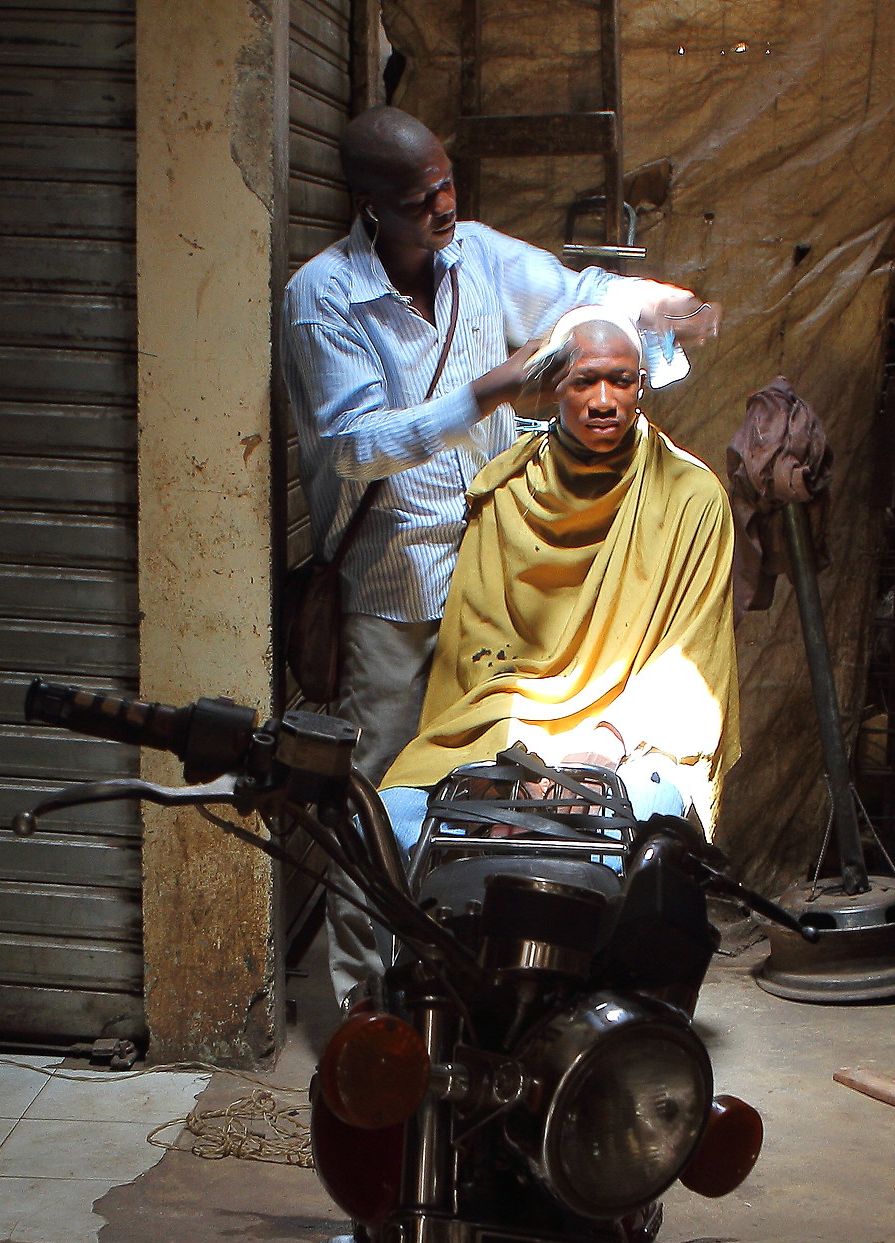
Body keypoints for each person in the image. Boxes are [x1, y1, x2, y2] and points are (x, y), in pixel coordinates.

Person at [281, 106, 718, 1007]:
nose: (444, 208)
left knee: (486, 799)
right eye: (420, 200)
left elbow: (575, 290)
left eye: (447, 185)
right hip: (397, 588)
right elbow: (356, 445)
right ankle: (370, 1003)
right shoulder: (323, 298)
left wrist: (653, 304)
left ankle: (470, 994)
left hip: (491, 574)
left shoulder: (476, 257)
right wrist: (492, 390)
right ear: (369, 204)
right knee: (381, 803)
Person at [377, 308, 739, 858]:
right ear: (554, 389)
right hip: (504, 728)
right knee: (387, 828)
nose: (603, 400)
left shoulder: (693, 498)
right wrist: (512, 765)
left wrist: (604, 744)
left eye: (620, 381)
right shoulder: (506, 491)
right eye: (584, 381)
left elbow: (691, 661)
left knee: (612, 846)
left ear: (641, 385)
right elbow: (480, 652)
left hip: (631, 735)